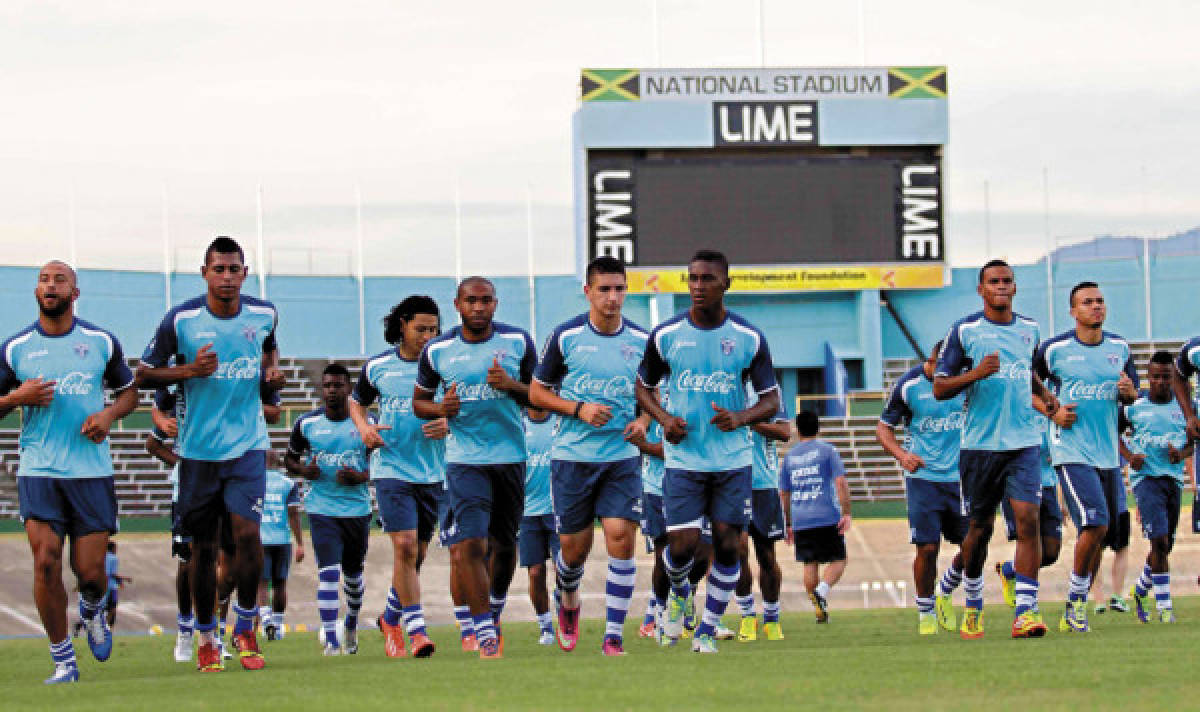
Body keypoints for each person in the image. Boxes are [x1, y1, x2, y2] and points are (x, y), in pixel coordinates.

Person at [139, 236, 286, 672]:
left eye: (234, 269)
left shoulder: (264, 314)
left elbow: (269, 343)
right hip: (198, 453)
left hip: (247, 446)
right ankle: (206, 635)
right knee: (202, 550)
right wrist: (189, 371)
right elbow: (144, 374)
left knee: (246, 535)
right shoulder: (181, 320)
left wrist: (272, 367)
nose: (226, 277)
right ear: (204, 272)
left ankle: (245, 626)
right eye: (218, 269)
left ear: (245, 272)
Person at [635, 249, 781, 654]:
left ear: (726, 284)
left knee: (728, 545)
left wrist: (741, 417)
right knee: (679, 546)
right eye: (693, 279)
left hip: (733, 459)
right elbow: (641, 388)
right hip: (684, 459)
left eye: (708, 279)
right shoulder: (665, 336)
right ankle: (679, 594)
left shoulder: (749, 338)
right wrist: (664, 419)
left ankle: (706, 631)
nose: (698, 287)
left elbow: (771, 400)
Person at [0, 260, 138, 684]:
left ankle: (94, 609)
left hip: (91, 473)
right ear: (37, 293)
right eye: (44, 280)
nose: (51, 286)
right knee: (45, 562)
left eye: (60, 280)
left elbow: (129, 393)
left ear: (74, 293)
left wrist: (110, 414)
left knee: (91, 571)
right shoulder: (15, 349)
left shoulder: (100, 342)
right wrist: (15, 397)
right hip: (39, 469)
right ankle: (63, 661)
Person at [933, 259, 1061, 640]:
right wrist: (977, 373)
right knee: (980, 529)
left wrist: (1044, 394)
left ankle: (1026, 610)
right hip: (980, 446)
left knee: (1028, 519)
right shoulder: (966, 331)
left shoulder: (1030, 330)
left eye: (1007, 281)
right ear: (981, 289)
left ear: (1015, 288)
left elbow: (1026, 370)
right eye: (994, 281)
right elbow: (940, 388)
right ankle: (972, 604)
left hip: (1023, 443)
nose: (1002, 286)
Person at [529, 255, 650, 656]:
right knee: (573, 551)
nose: (613, 297)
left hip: (621, 458)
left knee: (620, 538)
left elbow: (654, 394)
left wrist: (645, 422)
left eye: (619, 289)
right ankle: (568, 598)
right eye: (604, 290)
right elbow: (537, 393)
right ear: (588, 292)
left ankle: (613, 635)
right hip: (572, 459)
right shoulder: (564, 338)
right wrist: (578, 409)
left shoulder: (642, 340)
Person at [413, 277, 537, 660]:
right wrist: (441, 410)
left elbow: (541, 401)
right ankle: (484, 632)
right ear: (457, 304)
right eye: (471, 301)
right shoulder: (438, 350)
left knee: (504, 545)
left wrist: (513, 386)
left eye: (485, 301)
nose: (479, 307)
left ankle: (494, 608)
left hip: (511, 458)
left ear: (496, 304)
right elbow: (420, 404)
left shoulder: (518, 342)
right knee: (470, 543)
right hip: (465, 461)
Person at [1032, 281, 1138, 633]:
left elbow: (1132, 397)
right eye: (1087, 302)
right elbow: (1026, 386)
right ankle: (1075, 606)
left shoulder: (1120, 348)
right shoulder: (1054, 350)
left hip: (1108, 455)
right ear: (1073, 311)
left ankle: (1076, 602)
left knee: (1102, 533)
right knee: (1095, 523)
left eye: (1100, 301)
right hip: (1070, 450)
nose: (1096, 307)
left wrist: (1129, 393)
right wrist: (1053, 413)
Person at [351, 295, 448, 658]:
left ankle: (390, 617)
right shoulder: (378, 367)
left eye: (434, 330)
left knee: (417, 555)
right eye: (421, 328)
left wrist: (448, 422)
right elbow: (355, 402)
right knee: (404, 547)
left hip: (432, 471)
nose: (428, 336)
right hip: (391, 468)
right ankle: (417, 631)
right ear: (403, 326)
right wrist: (364, 428)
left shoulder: (442, 366)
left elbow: (459, 410)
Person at [877, 340, 967, 635]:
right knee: (927, 548)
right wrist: (902, 456)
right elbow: (883, 427)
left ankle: (946, 589)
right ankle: (926, 611)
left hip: (961, 478)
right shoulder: (909, 386)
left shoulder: (963, 381)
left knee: (972, 546)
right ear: (931, 359)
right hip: (924, 480)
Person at [287, 363, 372, 654]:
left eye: (338, 385)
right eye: (327, 386)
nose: (332, 391)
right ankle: (332, 643)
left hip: (357, 510)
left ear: (349, 389)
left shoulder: (364, 423)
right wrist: (303, 470)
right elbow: (290, 460)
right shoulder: (306, 424)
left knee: (353, 577)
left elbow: (382, 465)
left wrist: (361, 477)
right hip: (321, 508)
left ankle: (350, 623)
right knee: (328, 573)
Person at [1123, 350, 1191, 622]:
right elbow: (1111, 431)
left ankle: (1140, 588)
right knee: (1159, 540)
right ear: (1148, 378)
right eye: (1157, 377)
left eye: (1167, 377)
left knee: (1165, 545)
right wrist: (1129, 458)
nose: (1162, 382)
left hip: (1173, 479)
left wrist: (1181, 455)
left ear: (1174, 377)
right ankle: (1165, 608)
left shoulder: (1185, 407)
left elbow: (1192, 441)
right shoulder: (1134, 407)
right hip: (1146, 479)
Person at [733, 385, 791, 642]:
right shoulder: (721, 384)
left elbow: (784, 432)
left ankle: (771, 618)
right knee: (738, 551)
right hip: (731, 481)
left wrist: (746, 419)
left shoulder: (768, 390)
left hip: (764, 483)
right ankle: (747, 616)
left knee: (766, 555)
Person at [995, 404, 1064, 620]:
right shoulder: (1014, 399)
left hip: (1048, 481)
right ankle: (1027, 607)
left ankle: (1011, 569)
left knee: (1051, 551)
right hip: (1018, 482)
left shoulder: (1052, 398)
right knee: (1028, 539)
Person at [781, 411, 850, 622]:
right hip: (826, 514)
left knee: (810, 563)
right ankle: (822, 590)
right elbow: (840, 482)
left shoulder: (790, 457)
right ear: (818, 428)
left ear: (797, 430)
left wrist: (788, 522)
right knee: (839, 559)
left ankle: (818, 608)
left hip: (801, 518)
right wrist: (846, 512)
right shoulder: (828, 450)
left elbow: (784, 492)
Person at [518, 406, 559, 645]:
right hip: (526, 513)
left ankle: (562, 600)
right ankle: (545, 627)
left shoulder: (559, 424)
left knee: (563, 569)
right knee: (535, 572)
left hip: (557, 511)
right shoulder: (518, 426)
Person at [257, 456, 305, 639]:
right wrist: (300, 543)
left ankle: (266, 618)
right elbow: (293, 514)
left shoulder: (255, 482)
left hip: (261, 539)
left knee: (261, 584)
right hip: (282, 539)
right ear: (278, 463)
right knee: (280, 584)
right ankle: (277, 625)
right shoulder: (288, 483)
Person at [103, 542, 131, 628]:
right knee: (112, 608)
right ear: (112, 548)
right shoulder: (113, 558)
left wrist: (120, 582)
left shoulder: (102, 557)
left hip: (101, 586)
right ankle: (106, 627)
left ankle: (102, 626)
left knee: (101, 608)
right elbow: (112, 573)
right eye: (115, 548)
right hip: (111, 587)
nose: (116, 550)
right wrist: (125, 579)